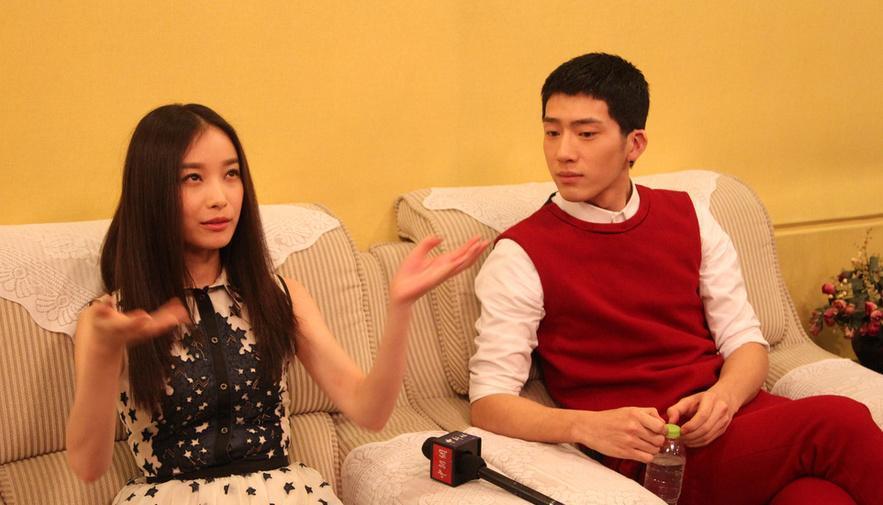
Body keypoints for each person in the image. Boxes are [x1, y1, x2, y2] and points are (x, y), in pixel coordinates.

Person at [468, 53, 882, 505]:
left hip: (738, 423)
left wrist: (724, 398)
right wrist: (585, 426)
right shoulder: (521, 252)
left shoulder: (689, 216)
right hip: (654, 454)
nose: (563, 152)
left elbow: (745, 341)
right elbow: (489, 402)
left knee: (817, 497)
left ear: (634, 144)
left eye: (586, 133)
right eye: (552, 132)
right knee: (840, 420)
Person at [65, 103, 488, 504]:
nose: (220, 197)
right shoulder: (109, 318)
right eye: (192, 178)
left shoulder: (279, 295)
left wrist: (401, 308)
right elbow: (88, 466)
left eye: (231, 174)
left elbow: (370, 411)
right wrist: (104, 355)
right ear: (151, 192)